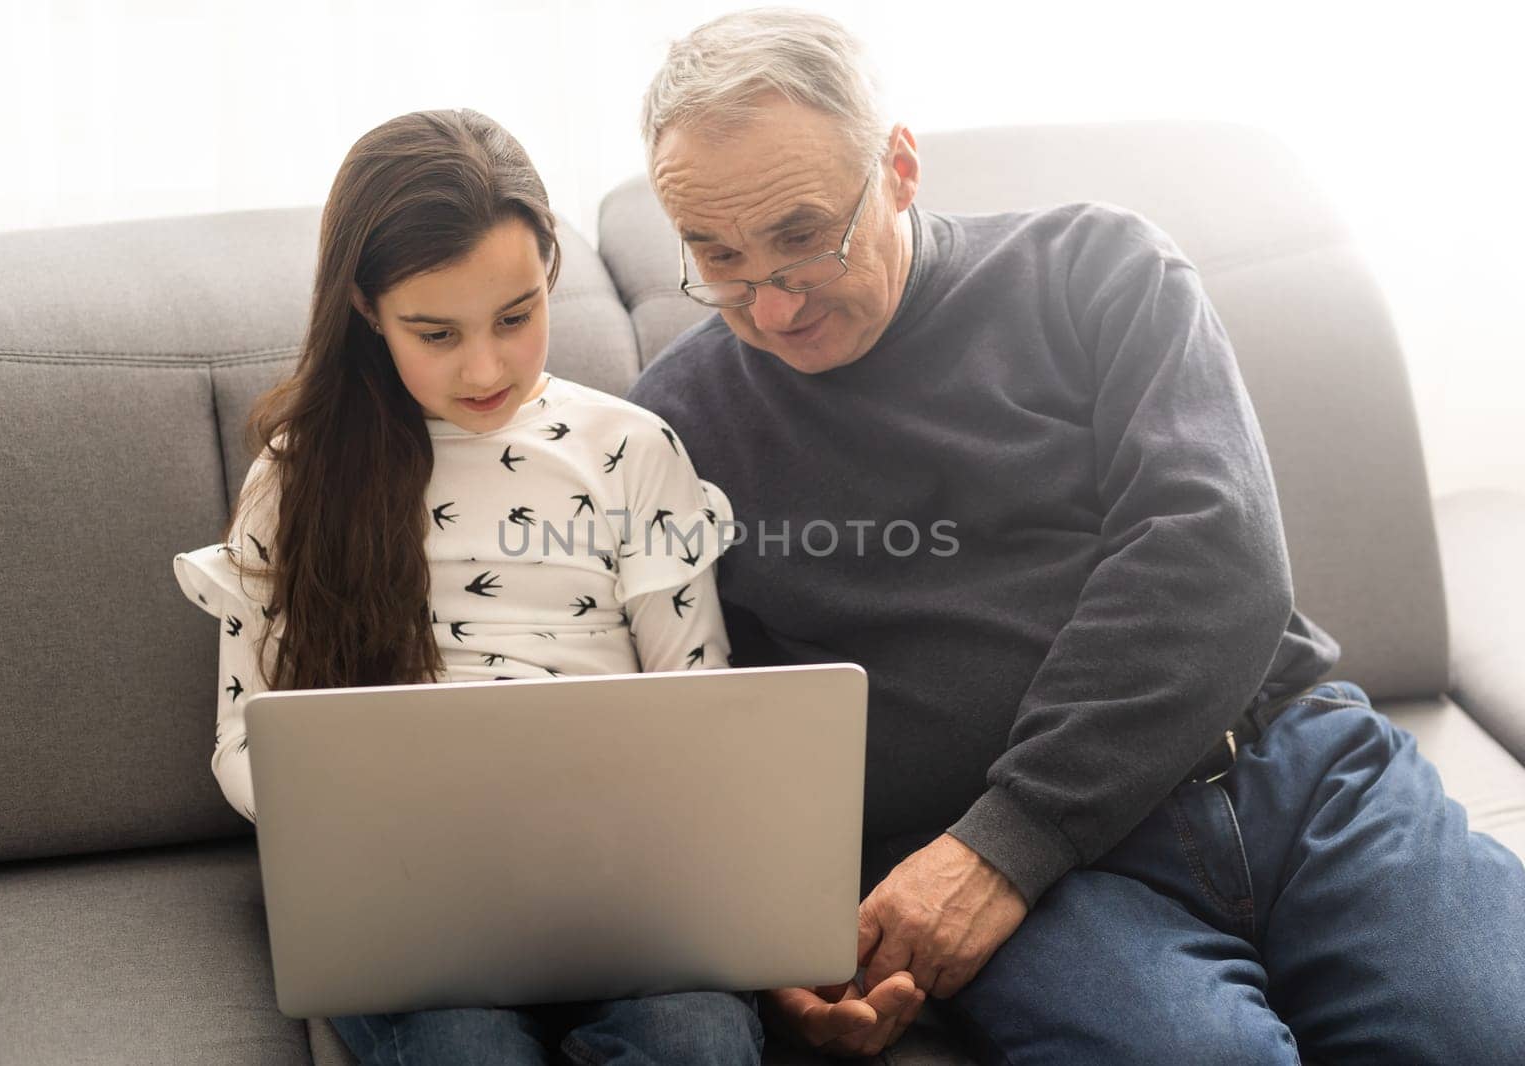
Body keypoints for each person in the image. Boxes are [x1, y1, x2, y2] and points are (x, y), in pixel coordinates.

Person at [627, 9, 1525, 1063]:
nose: (770, 306)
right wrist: (766, 936)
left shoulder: (1097, 266)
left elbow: (1211, 552)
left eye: (800, 237)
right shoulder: (671, 432)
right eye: (717, 257)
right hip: (1054, 893)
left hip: (1285, 769)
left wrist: (1008, 841)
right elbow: (694, 730)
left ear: (900, 167)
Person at [170, 108, 762, 1066]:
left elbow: (701, 708)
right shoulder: (301, 473)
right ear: (365, 308)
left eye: (516, 317)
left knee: (692, 1035)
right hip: (402, 891)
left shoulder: (630, 450)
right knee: (462, 1046)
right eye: (435, 332)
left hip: (614, 884)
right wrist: (355, 815)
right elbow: (245, 733)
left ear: (550, 277)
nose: (485, 367)